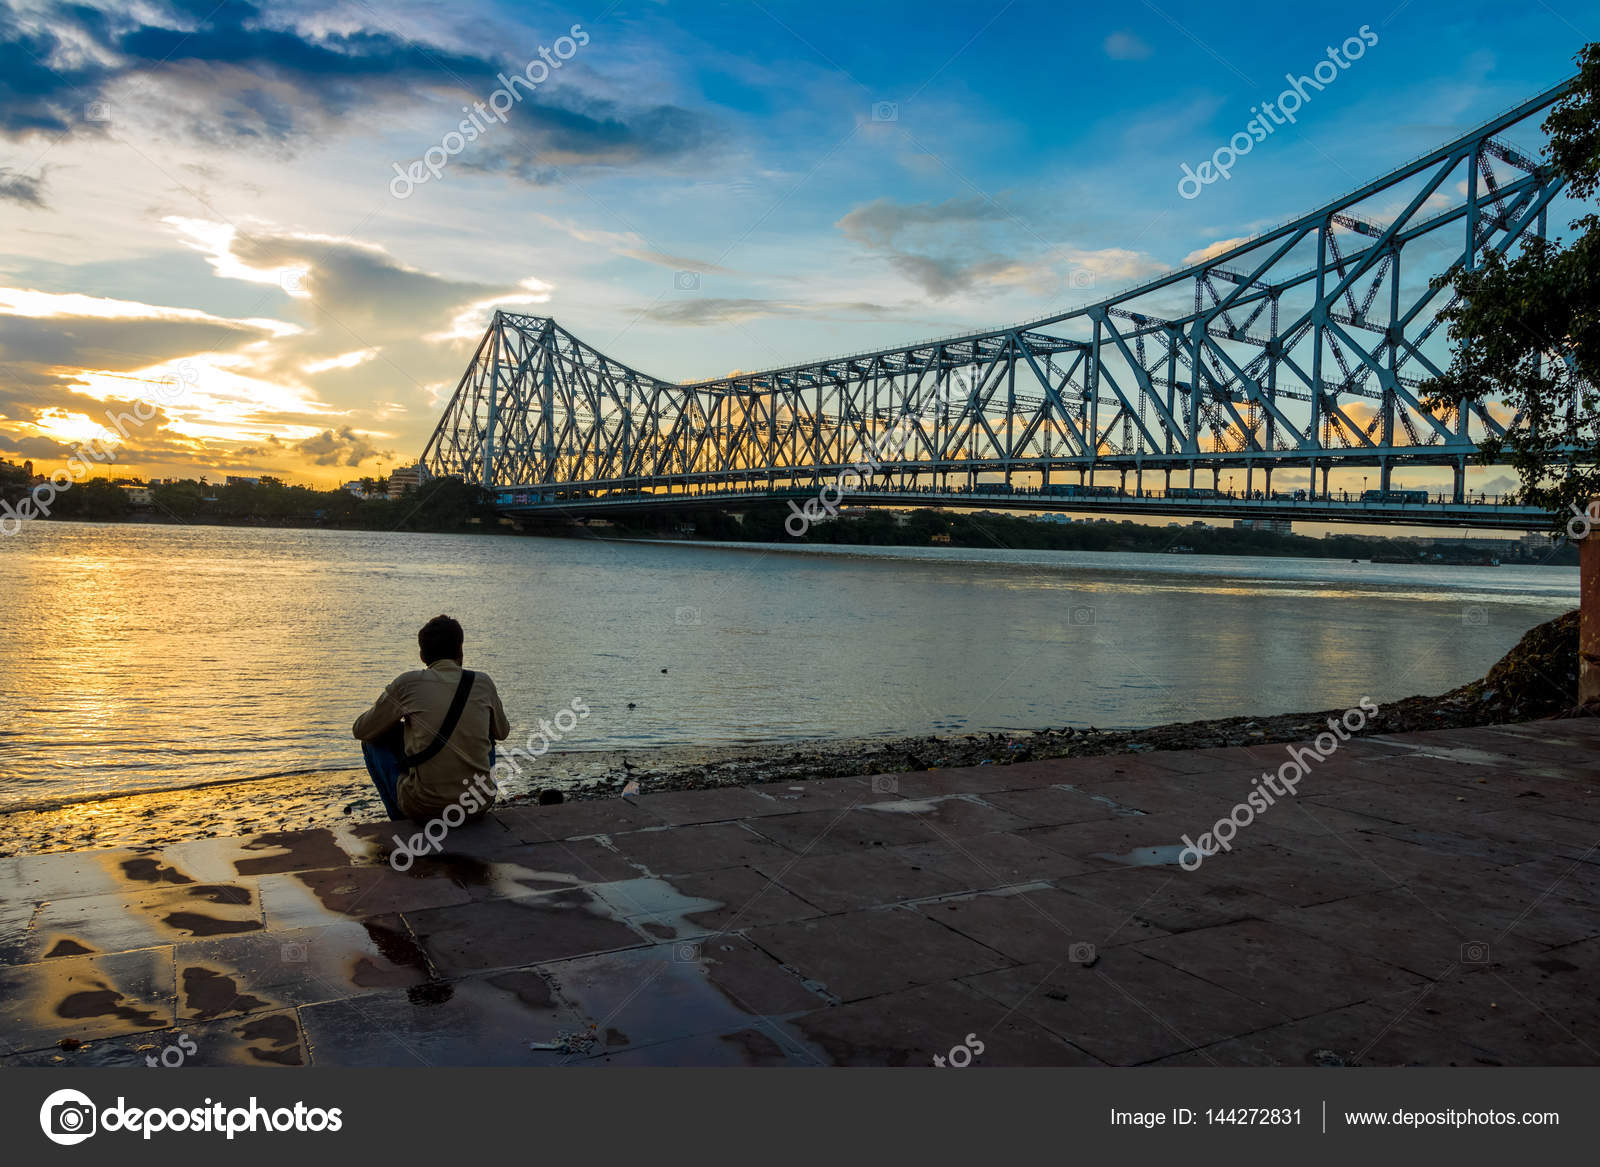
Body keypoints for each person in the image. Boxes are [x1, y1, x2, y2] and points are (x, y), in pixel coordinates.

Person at [353, 615, 510, 822]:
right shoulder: (482, 683)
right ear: (460, 650)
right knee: (488, 731)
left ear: (422, 655)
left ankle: (400, 820)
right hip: (477, 805)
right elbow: (502, 732)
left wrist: (397, 723)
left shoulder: (408, 684)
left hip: (424, 808)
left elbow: (361, 730)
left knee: (371, 742)